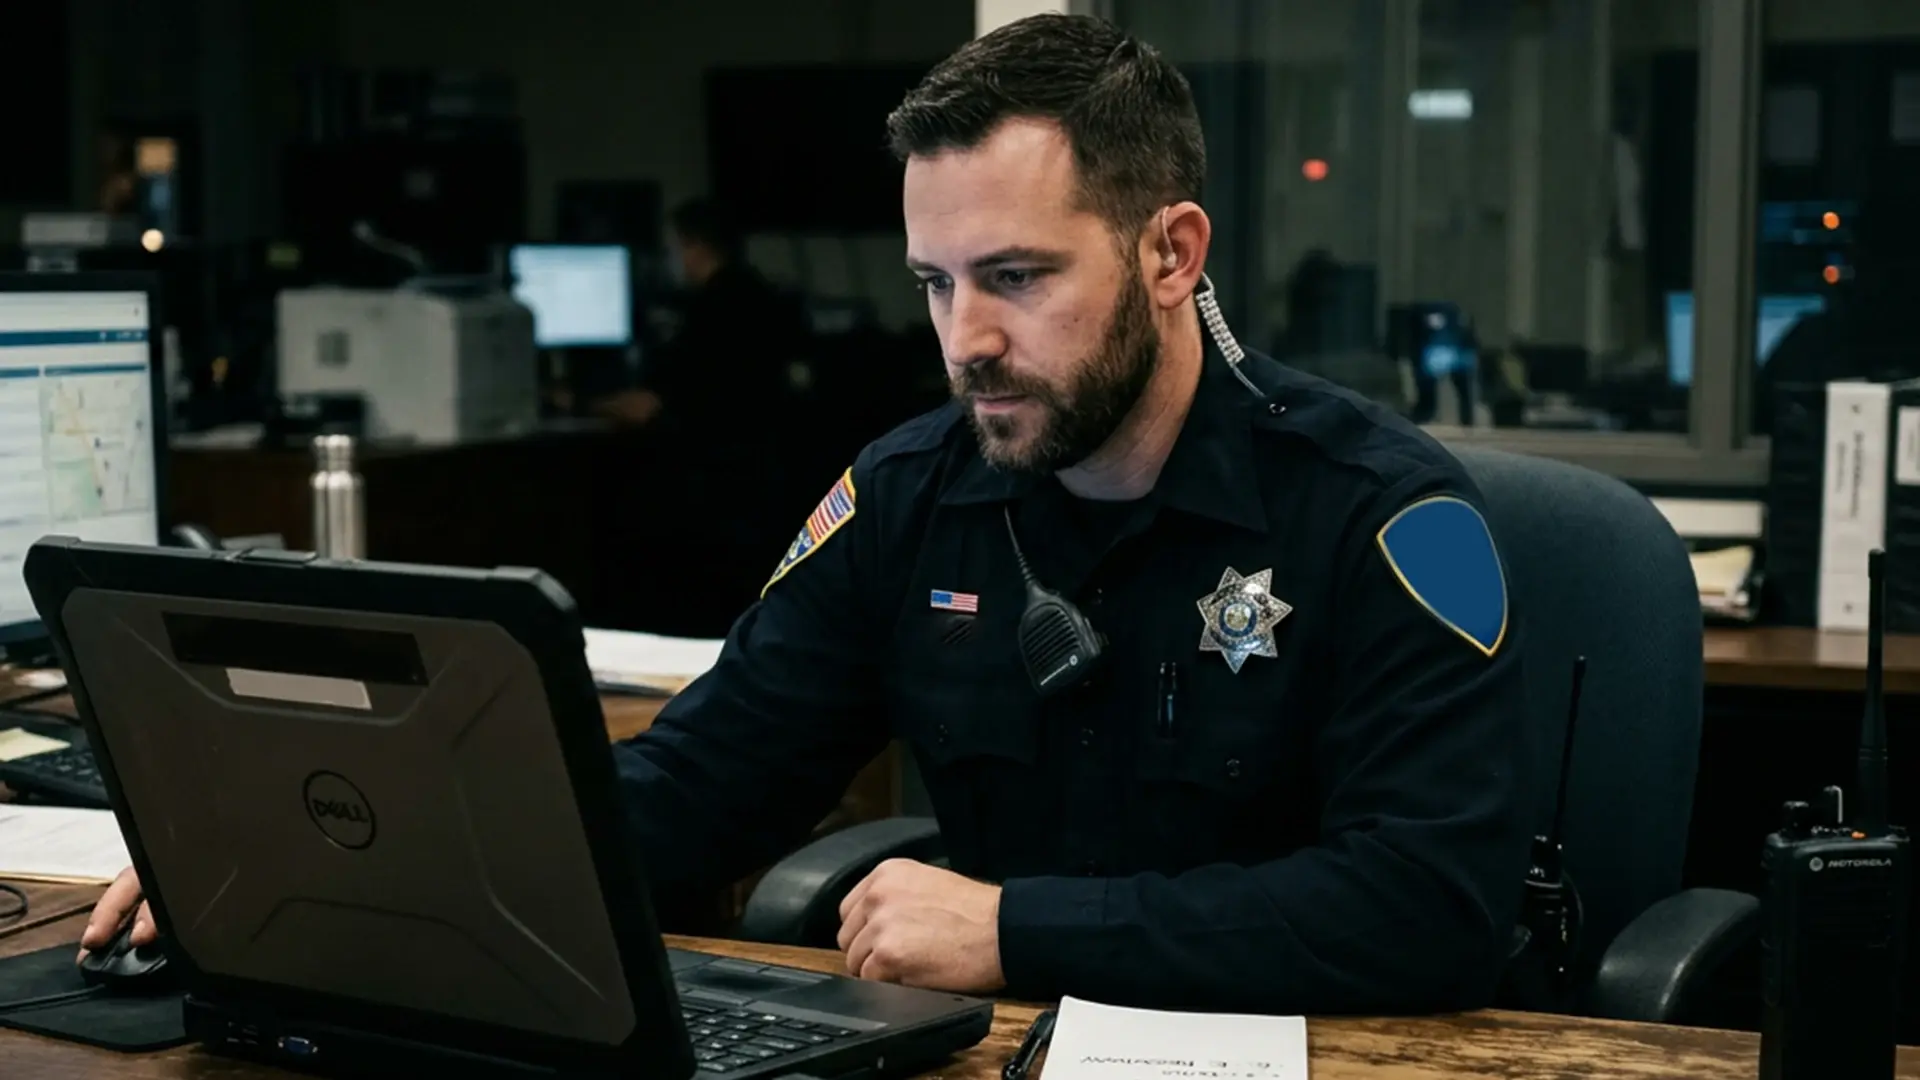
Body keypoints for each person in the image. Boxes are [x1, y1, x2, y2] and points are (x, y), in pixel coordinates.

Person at [82, 14, 1532, 1015]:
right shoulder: (913, 497)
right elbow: (691, 789)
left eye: (1016, 277)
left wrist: (1016, 927)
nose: (965, 338)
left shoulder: (1378, 514)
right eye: (935, 283)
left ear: (1172, 251)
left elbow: (1432, 904)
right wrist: (319, 860)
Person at [592, 197, 805, 432]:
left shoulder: (712, 308)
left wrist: (591, 403)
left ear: (696, 247)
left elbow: (657, 403)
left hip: (714, 447)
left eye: (672, 249)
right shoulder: (758, 292)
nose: (669, 259)